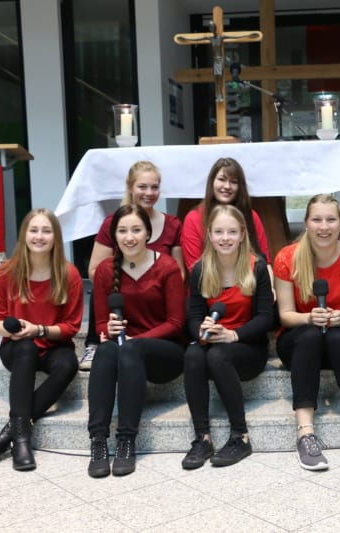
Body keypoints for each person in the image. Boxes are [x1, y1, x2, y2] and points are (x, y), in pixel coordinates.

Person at [274, 194, 340, 471]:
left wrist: (338, 317)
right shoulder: (288, 257)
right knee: (309, 333)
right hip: (298, 341)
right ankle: (305, 433)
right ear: (306, 223)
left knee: (337, 335)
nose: (324, 226)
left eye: (331, 219)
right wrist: (309, 316)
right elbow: (285, 315)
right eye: (317, 219)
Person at [87, 204, 186, 478]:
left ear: (148, 234)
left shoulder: (167, 267)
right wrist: (108, 327)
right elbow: (98, 325)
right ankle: (97, 441)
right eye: (122, 231)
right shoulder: (106, 270)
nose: (129, 237)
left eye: (136, 230)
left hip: (165, 355)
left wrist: (134, 340)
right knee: (104, 352)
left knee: (126, 349)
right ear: (114, 236)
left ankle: (126, 440)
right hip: (123, 353)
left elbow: (176, 323)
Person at [0, 208, 82, 471]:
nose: (39, 236)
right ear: (24, 235)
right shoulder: (5, 272)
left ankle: (6, 436)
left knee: (68, 364)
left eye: (46, 231)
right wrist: (13, 331)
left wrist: (38, 329)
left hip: (51, 343)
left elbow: (71, 327)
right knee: (24, 349)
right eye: (34, 230)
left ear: (55, 237)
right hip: (16, 347)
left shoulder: (69, 274)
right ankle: (23, 441)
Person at [182, 205, 274, 469]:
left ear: (243, 234)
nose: (225, 238)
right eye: (219, 231)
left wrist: (233, 334)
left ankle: (240, 436)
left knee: (219, 355)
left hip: (247, 346)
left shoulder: (257, 267)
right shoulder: (200, 269)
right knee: (192, 354)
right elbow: (194, 317)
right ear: (209, 235)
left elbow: (266, 318)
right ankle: (202, 438)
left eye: (232, 232)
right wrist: (202, 330)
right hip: (213, 342)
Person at [79, 160, 184, 371]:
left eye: (154, 187)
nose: (149, 192)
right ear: (130, 188)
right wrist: (127, 282)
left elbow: (179, 273)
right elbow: (94, 270)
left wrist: (152, 281)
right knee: (102, 288)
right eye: (142, 187)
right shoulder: (113, 222)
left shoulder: (172, 224)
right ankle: (93, 344)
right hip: (121, 298)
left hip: (156, 297)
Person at [181, 157, 271, 272]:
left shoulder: (251, 216)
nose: (227, 186)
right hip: (208, 284)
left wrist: (270, 288)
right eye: (222, 179)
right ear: (212, 182)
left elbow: (265, 261)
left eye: (233, 182)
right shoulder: (194, 218)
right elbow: (194, 268)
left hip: (249, 282)